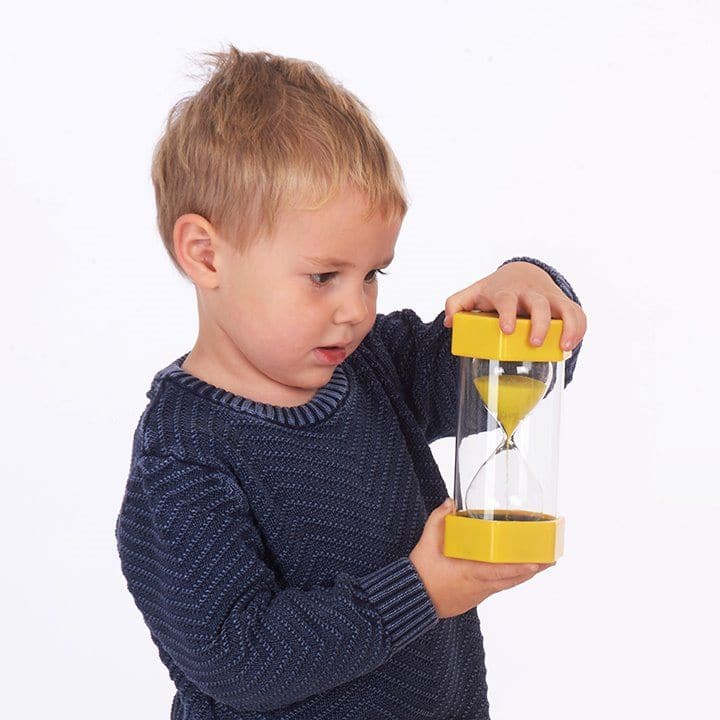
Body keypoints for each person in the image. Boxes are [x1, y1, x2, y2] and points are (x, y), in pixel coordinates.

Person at [115, 46, 586, 720]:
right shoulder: (185, 454)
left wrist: (530, 288)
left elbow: (506, 376)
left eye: (373, 274)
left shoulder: (373, 363)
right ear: (206, 253)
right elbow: (238, 663)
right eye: (323, 277)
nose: (355, 308)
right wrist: (420, 589)